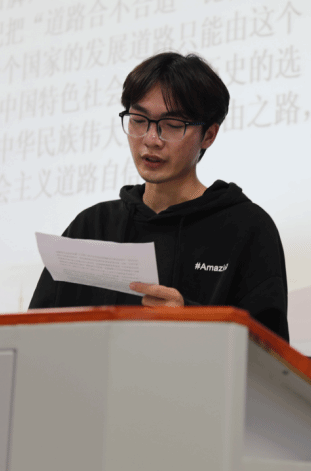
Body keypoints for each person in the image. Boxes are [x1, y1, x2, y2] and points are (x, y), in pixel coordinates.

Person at [28, 52, 289, 340]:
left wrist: (191, 322)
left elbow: (270, 353)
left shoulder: (247, 228)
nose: (151, 139)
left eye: (173, 125)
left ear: (209, 136)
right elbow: (36, 336)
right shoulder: (93, 226)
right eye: (139, 120)